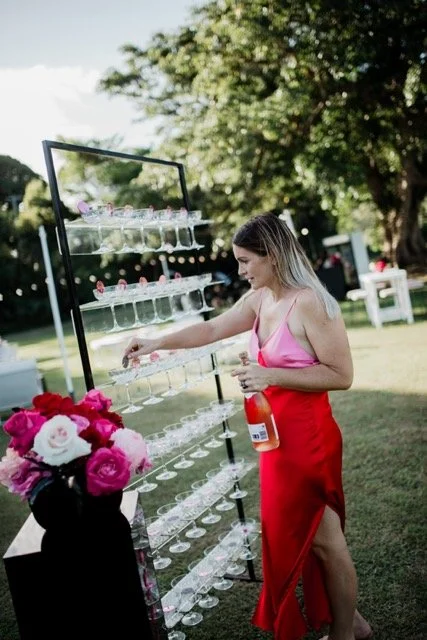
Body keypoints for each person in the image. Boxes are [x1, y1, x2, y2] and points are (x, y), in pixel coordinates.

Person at [123, 212, 372, 640]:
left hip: (308, 441)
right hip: (275, 442)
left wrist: (269, 375)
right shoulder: (260, 300)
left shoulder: (310, 301)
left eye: (245, 261)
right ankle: (351, 623)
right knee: (305, 536)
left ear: (272, 255)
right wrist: (157, 341)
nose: (240, 270)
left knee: (324, 540)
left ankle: (348, 634)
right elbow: (214, 327)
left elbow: (341, 375)